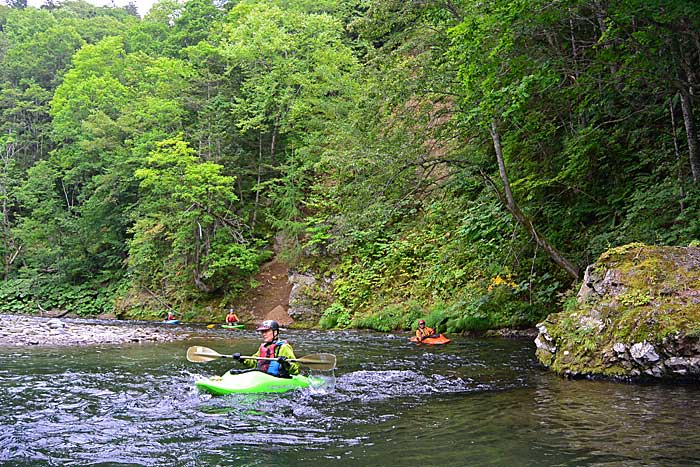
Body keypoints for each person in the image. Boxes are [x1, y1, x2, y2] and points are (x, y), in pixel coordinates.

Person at [232, 320, 300, 378]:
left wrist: (285, 363)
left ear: (275, 332)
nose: (264, 334)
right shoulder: (264, 346)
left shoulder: (284, 347)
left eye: (266, 331)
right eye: (262, 332)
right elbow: (254, 363)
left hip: (278, 378)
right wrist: (242, 359)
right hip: (263, 376)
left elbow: (296, 370)